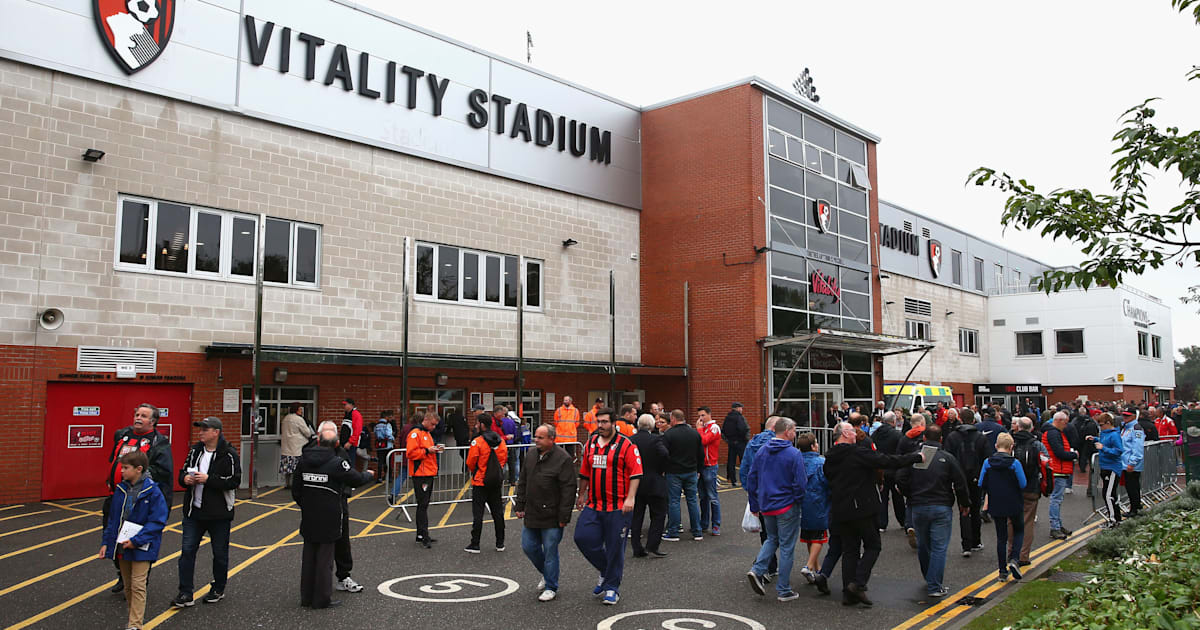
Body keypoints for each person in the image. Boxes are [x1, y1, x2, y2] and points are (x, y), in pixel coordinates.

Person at [825, 421, 923, 607]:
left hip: (841, 509)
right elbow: (886, 460)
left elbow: (830, 479)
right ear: (845, 434)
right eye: (853, 432)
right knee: (873, 545)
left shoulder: (830, 456)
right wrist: (915, 457)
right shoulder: (857, 453)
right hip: (862, 507)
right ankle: (858, 583)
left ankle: (848, 593)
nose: (856, 434)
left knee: (850, 550)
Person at [293, 422, 372, 609]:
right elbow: (356, 479)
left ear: (318, 440)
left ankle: (307, 597)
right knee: (324, 560)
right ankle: (321, 599)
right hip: (330, 517)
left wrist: (307, 505)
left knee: (309, 557)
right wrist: (368, 474)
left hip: (310, 516)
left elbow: (296, 491)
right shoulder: (336, 463)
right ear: (336, 444)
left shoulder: (303, 460)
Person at [574, 408, 643, 605]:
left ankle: (612, 587)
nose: (601, 426)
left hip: (618, 506)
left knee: (615, 547)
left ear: (614, 423)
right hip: (594, 505)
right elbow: (585, 472)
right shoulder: (591, 444)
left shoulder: (627, 445)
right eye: (599, 422)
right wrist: (581, 494)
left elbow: (636, 473)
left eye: (605, 422)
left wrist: (631, 498)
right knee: (582, 537)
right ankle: (606, 570)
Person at [104, 403, 172, 594]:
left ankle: (139, 580)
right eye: (136, 414)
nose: (138, 418)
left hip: (141, 500)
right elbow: (114, 461)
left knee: (138, 540)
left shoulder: (159, 441)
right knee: (115, 536)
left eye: (143, 416)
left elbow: (164, 471)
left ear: (153, 421)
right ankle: (122, 575)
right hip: (117, 497)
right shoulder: (122, 435)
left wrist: (140, 478)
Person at [174, 417, 241, 608]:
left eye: (205, 429)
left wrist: (208, 479)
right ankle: (185, 592)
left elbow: (234, 481)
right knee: (187, 552)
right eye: (200, 429)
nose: (201, 432)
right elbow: (182, 472)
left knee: (219, 554)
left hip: (219, 515)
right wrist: (185, 479)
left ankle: (218, 588)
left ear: (216, 432)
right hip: (194, 513)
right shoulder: (195, 451)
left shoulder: (228, 454)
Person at [896, 425, 970, 598]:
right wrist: (964, 503)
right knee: (938, 547)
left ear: (923, 439)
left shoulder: (915, 457)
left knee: (923, 544)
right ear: (941, 440)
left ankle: (929, 579)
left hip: (918, 505)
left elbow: (900, 477)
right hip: (941, 505)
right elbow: (960, 482)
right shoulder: (947, 458)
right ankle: (935, 585)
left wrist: (910, 493)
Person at [100, 450, 168, 630]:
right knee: (128, 585)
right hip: (122, 544)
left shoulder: (153, 491)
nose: (121, 471)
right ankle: (133, 618)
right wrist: (106, 543)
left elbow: (157, 521)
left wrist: (137, 540)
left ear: (139, 469)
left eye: (125, 468)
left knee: (138, 585)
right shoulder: (121, 490)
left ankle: (135, 625)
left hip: (142, 546)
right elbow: (113, 520)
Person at [745, 418, 806, 602]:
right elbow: (801, 483)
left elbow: (752, 478)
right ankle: (784, 589)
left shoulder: (762, 450)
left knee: (772, 539)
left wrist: (755, 504)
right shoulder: (794, 454)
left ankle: (758, 570)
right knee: (787, 546)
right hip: (787, 505)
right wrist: (797, 499)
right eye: (794, 430)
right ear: (787, 431)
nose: (795, 434)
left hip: (767, 504)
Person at [515, 425, 577, 602]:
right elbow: (523, 481)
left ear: (552, 439)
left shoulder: (563, 459)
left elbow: (568, 489)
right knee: (528, 547)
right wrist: (520, 505)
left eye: (541, 437)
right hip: (532, 512)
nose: (536, 440)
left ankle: (551, 586)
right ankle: (547, 573)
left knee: (550, 551)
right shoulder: (531, 455)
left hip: (552, 514)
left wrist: (564, 516)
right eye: (536, 437)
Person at [979, 433, 1027, 582]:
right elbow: (1023, 483)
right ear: (1011, 447)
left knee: (1001, 537)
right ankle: (1014, 559)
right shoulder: (1014, 463)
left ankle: (1002, 571)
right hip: (1013, 501)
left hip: (996, 502)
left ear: (996, 446)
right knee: (1019, 530)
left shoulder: (988, 462)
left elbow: (981, 482)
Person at [944, 409, 990, 556]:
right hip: (976, 478)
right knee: (976, 509)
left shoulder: (952, 437)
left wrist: (949, 477)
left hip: (958, 478)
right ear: (973, 420)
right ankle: (976, 541)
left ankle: (966, 545)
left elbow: (948, 458)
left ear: (960, 419)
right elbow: (987, 459)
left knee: (963, 508)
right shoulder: (980, 438)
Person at [740, 415, 780, 581]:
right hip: (775, 494)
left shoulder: (752, 443)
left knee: (766, 532)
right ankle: (763, 567)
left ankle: (769, 565)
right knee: (777, 535)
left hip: (758, 493)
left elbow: (744, 469)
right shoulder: (776, 444)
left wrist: (749, 490)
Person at [465, 415, 508, 553]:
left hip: (480, 481)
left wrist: (478, 471)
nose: (476, 425)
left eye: (477, 422)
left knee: (478, 514)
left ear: (482, 424)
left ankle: (475, 543)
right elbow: (503, 459)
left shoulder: (477, 441)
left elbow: (471, 461)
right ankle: (500, 543)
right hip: (495, 480)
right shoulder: (500, 441)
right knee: (498, 513)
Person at [629, 414, 670, 559]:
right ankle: (652, 545)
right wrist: (661, 469)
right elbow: (664, 454)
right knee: (658, 515)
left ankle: (636, 547)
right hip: (654, 482)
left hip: (636, 483)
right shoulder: (655, 439)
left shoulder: (630, 440)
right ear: (652, 426)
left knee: (636, 516)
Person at [661, 409, 704, 542]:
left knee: (674, 502)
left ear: (673, 419)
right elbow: (700, 454)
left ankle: (673, 532)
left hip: (674, 472)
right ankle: (697, 532)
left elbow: (663, 453)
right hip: (691, 471)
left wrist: (663, 468)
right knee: (692, 501)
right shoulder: (694, 433)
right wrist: (698, 469)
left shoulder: (669, 434)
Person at [1009, 417, 1046, 565]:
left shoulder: (1011, 443)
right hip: (1031, 487)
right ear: (1031, 428)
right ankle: (1023, 556)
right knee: (1027, 521)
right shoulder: (1037, 444)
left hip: (1012, 488)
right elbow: (1046, 463)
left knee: (1011, 521)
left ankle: (1011, 553)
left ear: (1017, 427)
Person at [406, 411, 444, 548]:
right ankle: (423, 535)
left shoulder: (427, 433)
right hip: (420, 474)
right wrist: (428, 451)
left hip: (427, 472)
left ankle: (421, 534)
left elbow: (426, 450)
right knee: (422, 505)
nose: (434, 427)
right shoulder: (415, 433)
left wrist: (433, 449)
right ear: (426, 420)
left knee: (424, 504)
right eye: (433, 424)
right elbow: (410, 453)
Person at [796, 432, 829, 585]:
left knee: (809, 537)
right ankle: (809, 566)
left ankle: (817, 568)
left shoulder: (796, 461)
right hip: (818, 501)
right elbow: (826, 483)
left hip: (801, 502)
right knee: (819, 538)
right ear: (813, 446)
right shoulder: (821, 462)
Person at [1042, 411, 1078, 539]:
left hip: (1058, 469)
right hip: (1058, 469)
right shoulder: (1054, 434)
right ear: (1059, 420)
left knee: (1057, 499)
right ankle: (1055, 527)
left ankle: (1058, 524)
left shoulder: (1053, 433)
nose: (1066, 425)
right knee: (1056, 499)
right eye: (1065, 422)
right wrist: (1074, 455)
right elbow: (1059, 453)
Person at [897, 413, 926, 549]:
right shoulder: (924, 435)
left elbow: (899, 456)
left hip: (907, 473)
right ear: (921, 422)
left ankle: (910, 525)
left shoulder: (905, 437)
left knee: (910, 501)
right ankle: (922, 528)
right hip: (923, 471)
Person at [872, 412, 904, 532]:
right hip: (894, 468)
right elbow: (901, 452)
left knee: (882, 497)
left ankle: (881, 523)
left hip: (880, 469)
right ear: (893, 421)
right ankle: (903, 520)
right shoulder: (897, 435)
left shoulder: (875, 434)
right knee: (898, 497)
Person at [1092, 413, 1124, 525]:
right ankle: (1116, 518)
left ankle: (1113, 520)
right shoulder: (1104, 434)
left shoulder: (1114, 435)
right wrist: (1094, 439)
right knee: (1110, 494)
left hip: (1112, 468)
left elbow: (1119, 451)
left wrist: (1103, 448)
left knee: (1108, 495)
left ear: (1108, 423)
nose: (1100, 427)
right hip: (1105, 466)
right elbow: (1103, 441)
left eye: (1101, 425)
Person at [696, 406, 723, 535]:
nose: (700, 418)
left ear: (709, 415)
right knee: (702, 497)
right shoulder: (703, 428)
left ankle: (716, 524)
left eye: (703, 415)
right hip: (701, 465)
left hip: (710, 465)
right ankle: (704, 523)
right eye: (699, 416)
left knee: (712, 497)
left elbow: (704, 441)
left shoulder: (714, 428)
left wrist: (699, 430)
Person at [1119, 409, 1145, 519]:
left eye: (1127, 415)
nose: (1125, 417)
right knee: (1130, 487)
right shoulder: (1125, 428)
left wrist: (1132, 462)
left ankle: (1134, 509)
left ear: (1134, 416)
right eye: (1124, 415)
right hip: (1125, 462)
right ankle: (1136, 506)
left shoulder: (1136, 428)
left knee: (1132, 487)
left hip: (1131, 464)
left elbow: (1137, 448)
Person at [280, 404, 314, 488]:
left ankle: (287, 483)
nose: (301, 411)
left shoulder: (285, 418)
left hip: (286, 446)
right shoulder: (299, 419)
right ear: (296, 409)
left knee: (287, 467)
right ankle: (296, 484)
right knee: (297, 467)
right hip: (297, 447)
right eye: (300, 409)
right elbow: (307, 432)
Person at [723, 402, 750, 486]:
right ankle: (745, 479)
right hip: (741, 442)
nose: (742, 410)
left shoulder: (727, 418)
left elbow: (723, 431)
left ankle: (731, 479)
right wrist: (745, 439)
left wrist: (728, 440)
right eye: (741, 408)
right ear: (737, 408)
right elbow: (743, 429)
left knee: (731, 461)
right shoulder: (739, 417)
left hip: (731, 442)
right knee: (744, 461)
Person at [339, 398, 365, 471]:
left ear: (351, 405)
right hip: (345, 443)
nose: (344, 406)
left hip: (350, 444)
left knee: (350, 463)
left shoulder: (355, 414)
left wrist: (350, 442)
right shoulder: (347, 414)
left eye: (345, 404)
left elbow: (357, 430)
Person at [372, 411, 395, 483]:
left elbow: (375, 433)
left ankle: (379, 477)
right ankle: (389, 476)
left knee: (380, 462)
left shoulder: (377, 425)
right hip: (387, 445)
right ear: (386, 417)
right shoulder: (387, 425)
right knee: (388, 461)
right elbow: (389, 435)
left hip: (379, 446)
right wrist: (392, 439)